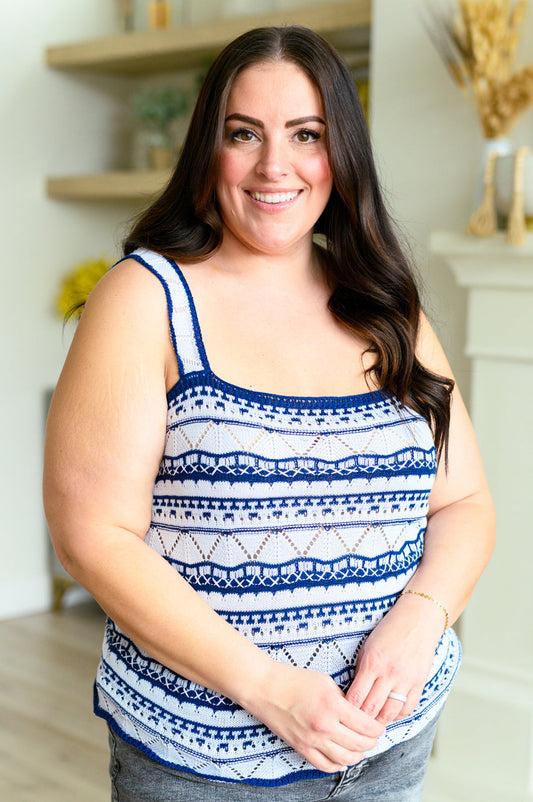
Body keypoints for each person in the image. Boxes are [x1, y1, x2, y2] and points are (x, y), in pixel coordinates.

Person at [43, 25, 495, 802]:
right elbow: (93, 537)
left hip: (388, 744)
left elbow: (463, 503)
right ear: (205, 150)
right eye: (242, 133)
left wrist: (421, 619)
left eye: (306, 134)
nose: (273, 166)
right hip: (205, 760)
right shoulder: (145, 299)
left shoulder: (384, 301)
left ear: (339, 153)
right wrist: (268, 688)